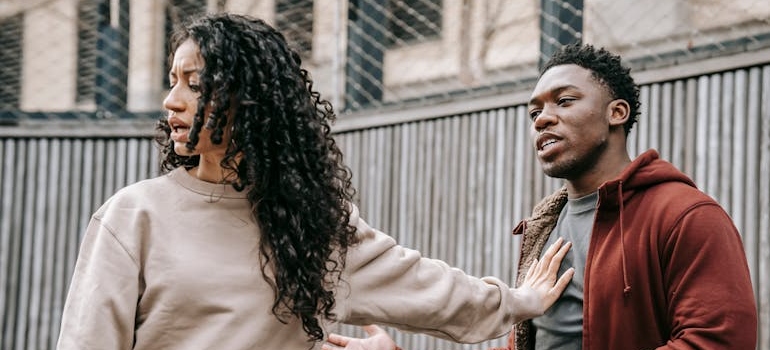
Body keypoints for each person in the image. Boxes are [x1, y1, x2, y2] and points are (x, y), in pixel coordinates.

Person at [56, 12, 575, 350]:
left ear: (252, 100)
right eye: (173, 82)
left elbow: (426, 286)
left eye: (195, 84)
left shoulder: (313, 226)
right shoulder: (134, 216)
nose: (171, 100)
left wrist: (518, 300)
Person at [325, 43, 758, 350]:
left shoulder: (685, 214)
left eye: (564, 102)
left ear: (616, 113)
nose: (543, 120)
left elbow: (719, 340)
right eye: (534, 112)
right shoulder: (546, 226)